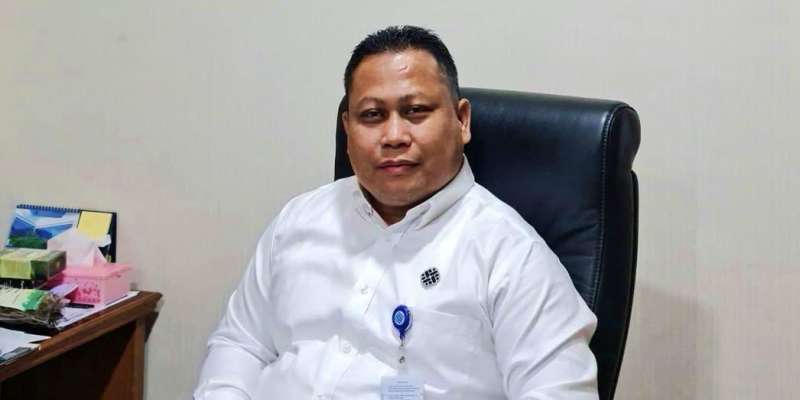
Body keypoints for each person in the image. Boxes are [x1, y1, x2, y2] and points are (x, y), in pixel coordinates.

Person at [194, 25, 598, 400]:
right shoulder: (299, 219)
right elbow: (241, 344)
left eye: (415, 111)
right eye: (372, 115)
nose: (393, 136)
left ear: (461, 120)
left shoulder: (511, 256)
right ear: (347, 128)